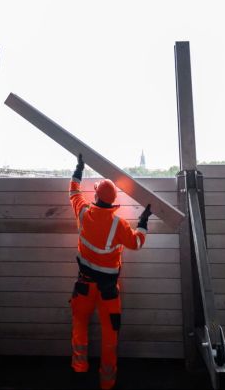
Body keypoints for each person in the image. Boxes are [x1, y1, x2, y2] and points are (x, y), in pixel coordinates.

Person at [68, 153, 152, 390]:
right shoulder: (119, 224)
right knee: (109, 336)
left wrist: (78, 169)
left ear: (95, 196)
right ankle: (107, 382)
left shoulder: (84, 214)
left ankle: (79, 372)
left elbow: (73, 192)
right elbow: (136, 243)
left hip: (84, 287)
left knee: (80, 327)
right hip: (108, 292)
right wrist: (144, 222)